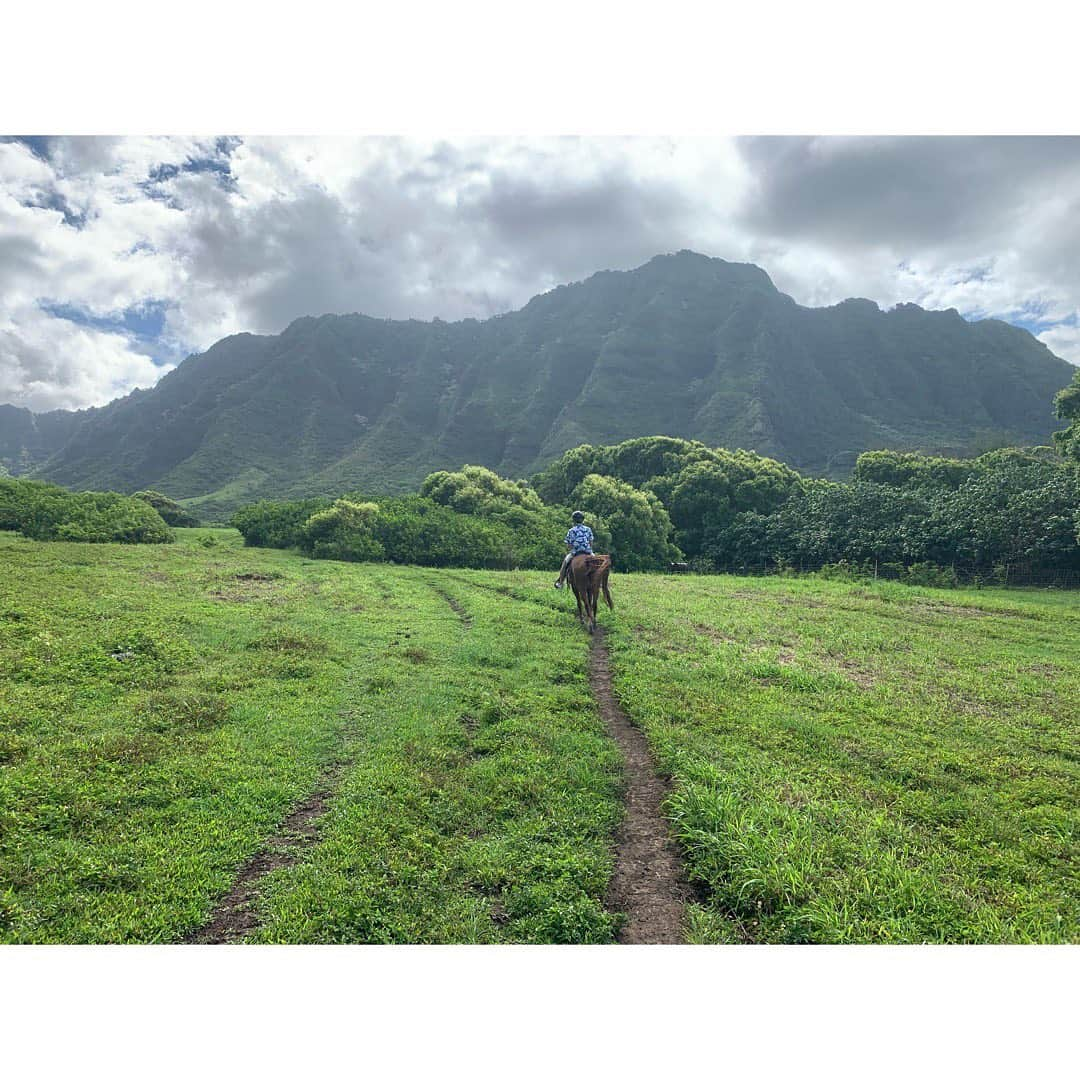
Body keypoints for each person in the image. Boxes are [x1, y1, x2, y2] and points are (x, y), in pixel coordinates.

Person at [554, 510, 594, 589]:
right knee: (597, 563)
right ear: (583, 519)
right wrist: (589, 549)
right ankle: (598, 581)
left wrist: (571, 549)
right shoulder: (588, 529)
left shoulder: (571, 530)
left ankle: (561, 582)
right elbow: (591, 542)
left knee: (565, 563)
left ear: (574, 520)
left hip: (576, 552)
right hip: (588, 552)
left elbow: (569, 544)